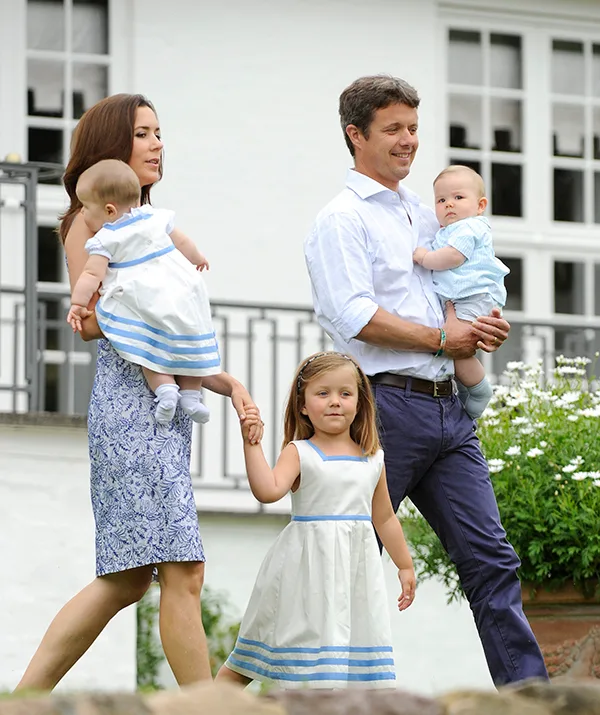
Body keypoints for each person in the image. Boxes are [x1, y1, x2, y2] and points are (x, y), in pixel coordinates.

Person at [304, 75, 548, 686]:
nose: (409, 140)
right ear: (356, 135)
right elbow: (354, 316)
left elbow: (456, 287)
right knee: (348, 564)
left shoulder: (428, 210)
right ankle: (314, 696)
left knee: (492, 561)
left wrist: (482, 324)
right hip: (384, 409)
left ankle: (531, 699)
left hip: (449, 410)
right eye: (393, 129)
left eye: (413, 128)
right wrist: (444, 339)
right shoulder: (340, 220)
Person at [15, 93, 263, 692]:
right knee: (183, 569)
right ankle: (208, 707)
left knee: (127, 579)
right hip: (131, 408)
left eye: (159, 132)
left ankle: (21, 700)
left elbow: (174, 330)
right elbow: (89, 321)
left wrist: (226, 382)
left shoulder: (152, 224)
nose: (157, 144)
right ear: (113, 146)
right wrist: (152, 304)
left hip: (162, 410)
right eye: (144, 133)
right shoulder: (89, 222)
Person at [216, 352, 416, 690]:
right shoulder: (299, 452)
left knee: (341, 666)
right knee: (252, 659)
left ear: (360, 403)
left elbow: (384, 517)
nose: (335, 401)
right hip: (302, 575)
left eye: (345, 393)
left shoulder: (374, 459)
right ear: (303, 405)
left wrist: (405, 565)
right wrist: (252, 443)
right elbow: (268, 490)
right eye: (323, 393)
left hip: (353, 579)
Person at [67, 158, 218, 425]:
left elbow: (91, 275)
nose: (84, 214)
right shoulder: (155, 217)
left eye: (87, 207)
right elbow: (182, 241)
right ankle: (192, 397)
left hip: (145, 297)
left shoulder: (106, 238)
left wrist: (78, 304)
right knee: (189, 340)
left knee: (147, 345)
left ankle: (165, 390)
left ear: (109, 210)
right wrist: (197, 258)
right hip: (180, 292)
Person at [412, 164, 509, 419]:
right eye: (441, 200)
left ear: (480, 205)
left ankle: (479, 390)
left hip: (472, 296)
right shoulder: (448, 230)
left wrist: (424, 257)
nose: (449, 204)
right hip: (463, 297)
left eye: (458, 197)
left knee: (457, 346)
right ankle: (466, 395)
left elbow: (454, 256)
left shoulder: (470, 227)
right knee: (455, 345)